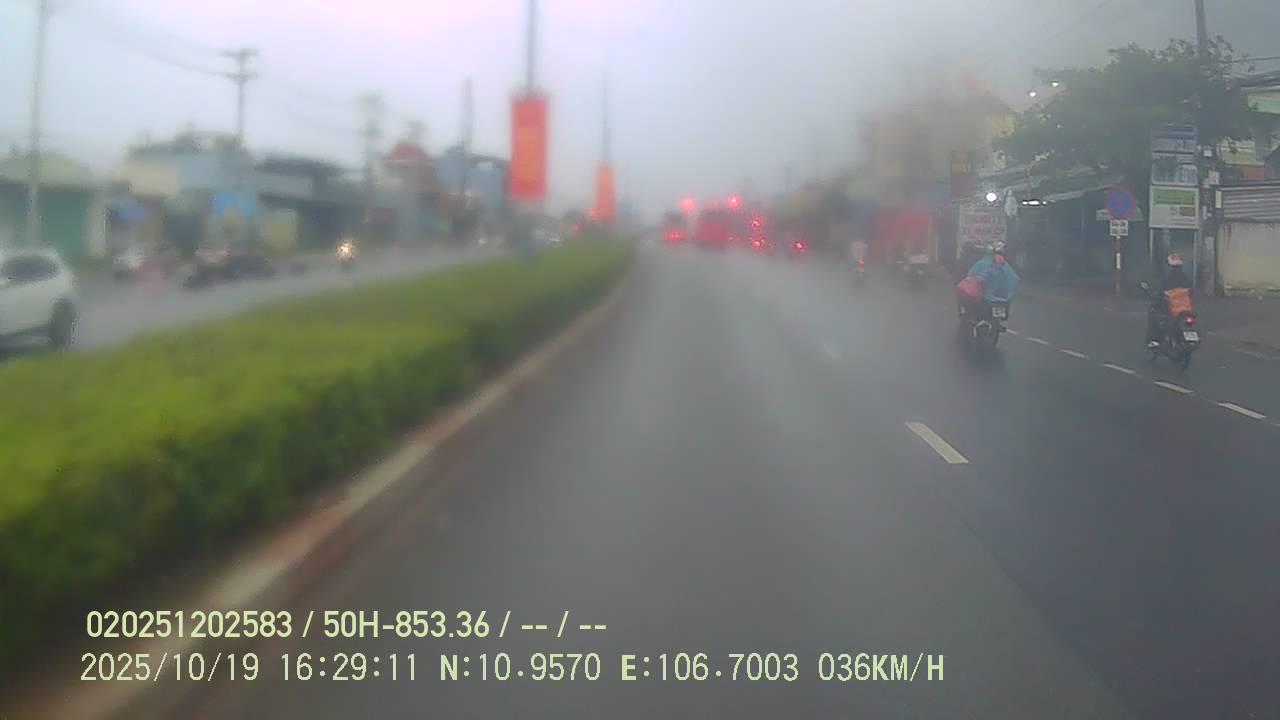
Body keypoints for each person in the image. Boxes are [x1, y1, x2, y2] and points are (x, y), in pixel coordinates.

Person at [1146, 254, 1192, 348]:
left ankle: (1155, 340)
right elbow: (1191, 293)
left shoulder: (1167, 279)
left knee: (1154, 316)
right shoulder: (1186, 279)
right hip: (1186, 309)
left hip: (1170, 309)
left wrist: (1155, 301)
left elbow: (1160, 294)